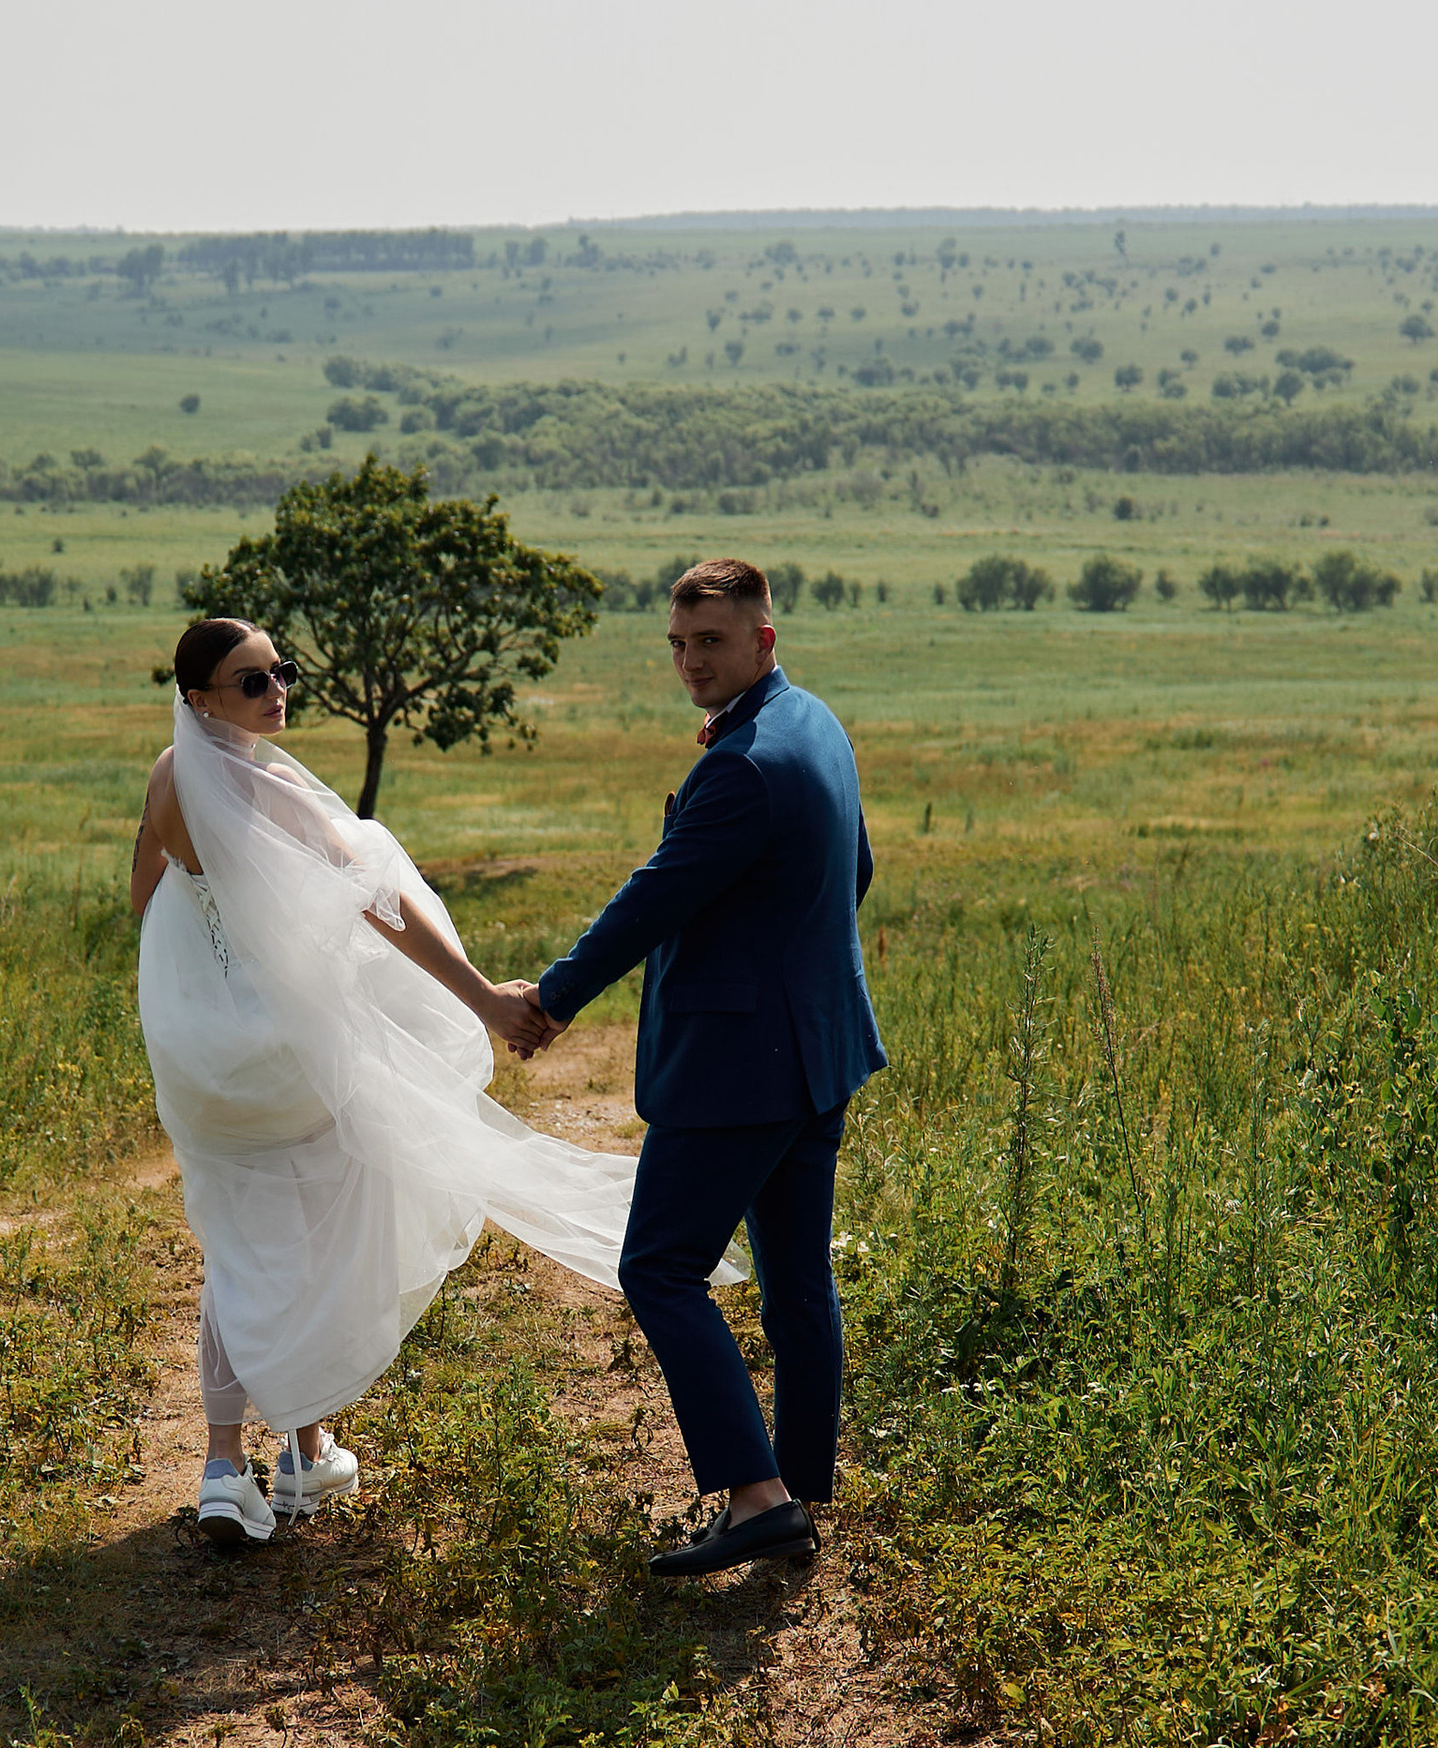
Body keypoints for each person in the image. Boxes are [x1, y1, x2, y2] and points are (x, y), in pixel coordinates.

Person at [132, 614, 675, 1548]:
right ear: (198, 698)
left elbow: (147, 898)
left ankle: (235, 1464)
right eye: (251, 683)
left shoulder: (169, 777)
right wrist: (481, 999)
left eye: (281, 672)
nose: (277, 693)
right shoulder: (275, 792)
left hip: (206, 1057)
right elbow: (380, 902)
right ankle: (294, 1450)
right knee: (321, 1231)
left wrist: (212, 974)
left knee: (240, 1239)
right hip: (287, 1059)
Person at [507, 559, 882, 1577]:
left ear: (762, 638)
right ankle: (799, 1487)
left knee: (658, 1269)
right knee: (796, 1280)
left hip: (737, 1069)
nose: (689, 663)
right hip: (819, 1051)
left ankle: (758, 1500)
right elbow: (857, 870)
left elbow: (653, 899)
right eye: (677, 645)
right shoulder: (816, 724)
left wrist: (549, 999)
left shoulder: (744, 764)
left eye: (709, 643)